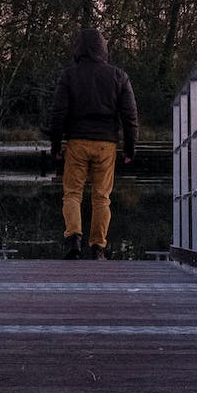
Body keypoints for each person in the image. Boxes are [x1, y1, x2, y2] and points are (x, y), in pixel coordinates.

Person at [46, 27, 137, 259]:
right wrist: (130, 147)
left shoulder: (69, 76)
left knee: (72, 194)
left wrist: (55, 145)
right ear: (103, 49)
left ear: (78, 49)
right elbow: (129, 116)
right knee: (102, 197)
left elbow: (58, 113)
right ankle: (97, 248)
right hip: (106, 144)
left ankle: (74, 241)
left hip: (77, 141)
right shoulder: (119, 76)